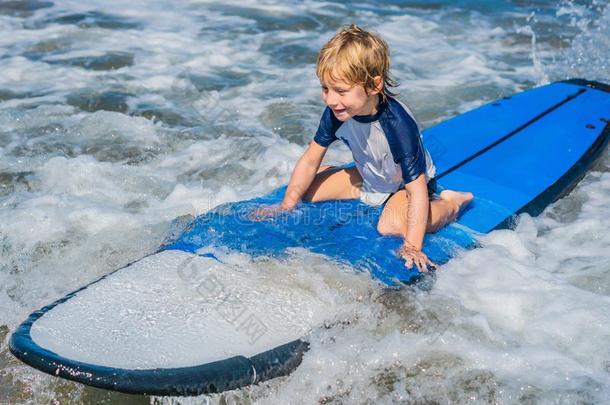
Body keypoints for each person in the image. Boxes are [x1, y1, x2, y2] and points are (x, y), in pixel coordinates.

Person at [254, 25, 473, 272]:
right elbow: (310, 159)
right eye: (325, 89)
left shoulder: (396, 124)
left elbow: (417, 188)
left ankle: (452, 203)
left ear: (374, 86)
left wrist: (413, 246)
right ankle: (334, 176)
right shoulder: (338, 112)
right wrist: (286, 205)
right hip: (370, 177)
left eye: (340, 91)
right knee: (303, 193)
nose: (330, 99)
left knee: (390, 226)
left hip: (406, 186)